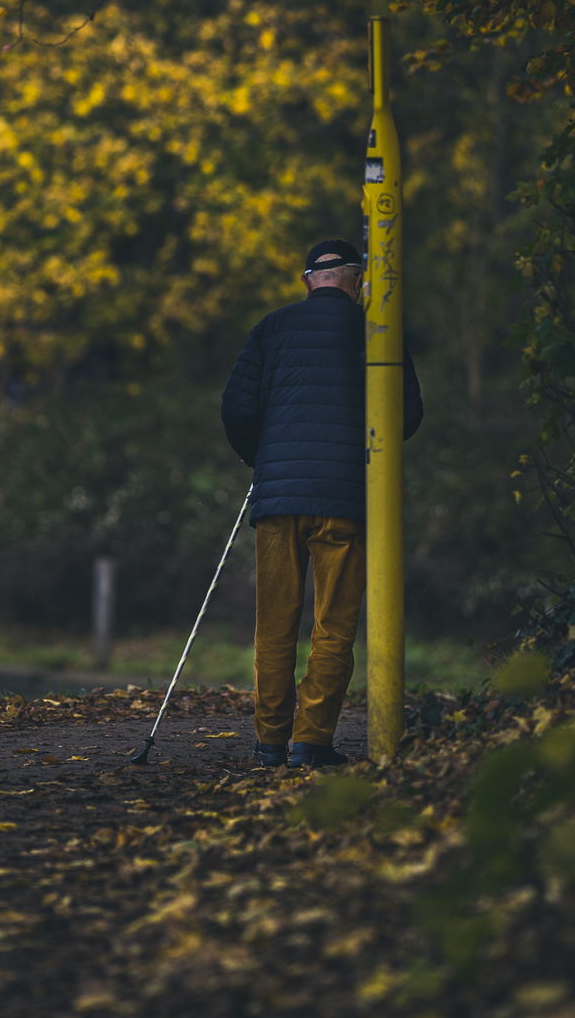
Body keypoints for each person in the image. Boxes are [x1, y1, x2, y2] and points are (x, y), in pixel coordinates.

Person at [220, 239, 423, 768]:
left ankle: (269, 741)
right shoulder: (378, 331)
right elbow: (408, 414)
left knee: (275, 624)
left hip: (277, 500)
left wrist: (263, 460)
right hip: (346, 500)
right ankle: (311, 741)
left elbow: (236, 409)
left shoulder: (271, 328)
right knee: (333, 625)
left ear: (308, 280)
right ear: (357, 283)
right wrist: (367, 452)